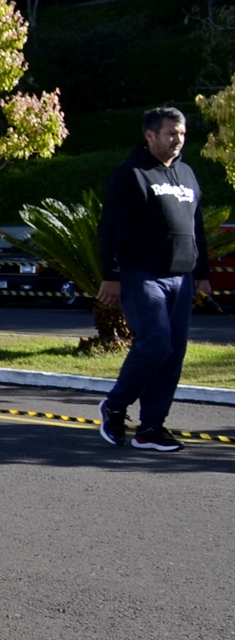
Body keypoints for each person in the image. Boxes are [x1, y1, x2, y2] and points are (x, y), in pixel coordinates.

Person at [96, 106, 212, 452]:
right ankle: (115, 405)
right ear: (150, 136)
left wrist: (202, 273)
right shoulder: (130, 175)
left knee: (173, 355)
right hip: (142, 275)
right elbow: (110, 229)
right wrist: (111, 275)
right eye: (171, 133)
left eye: (182, 133)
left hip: (182, 278)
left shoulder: (187, 174)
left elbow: (197, 228)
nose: (178, 140)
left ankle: (150, 428)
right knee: (156, 342)